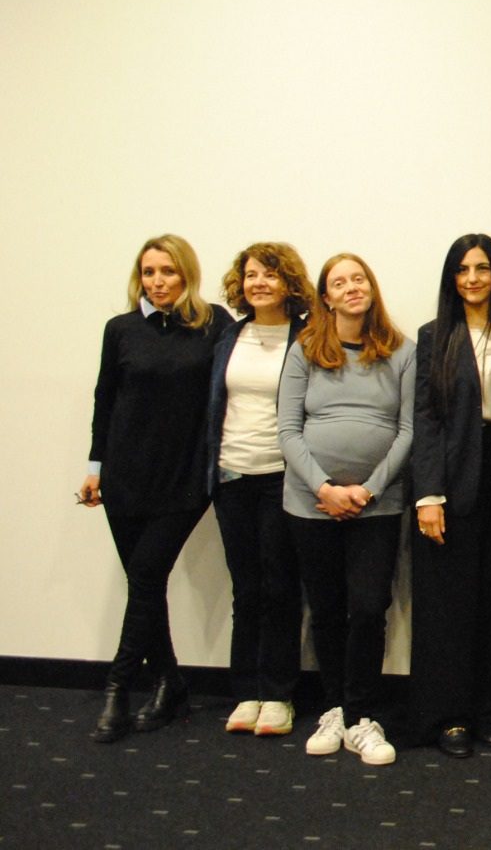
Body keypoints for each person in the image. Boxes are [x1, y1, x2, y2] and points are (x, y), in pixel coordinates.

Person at [80, 235, 228, 744]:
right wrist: (95, 467)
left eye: (168, 271)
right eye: (149, 272)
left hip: (184, 479)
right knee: (146, 585)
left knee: (145, 575)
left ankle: (117, 687)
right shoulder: (120, 329)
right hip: (124, 477)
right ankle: (169, 683)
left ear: (186, 274)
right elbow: (105, 400)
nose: (158, 282)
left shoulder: (213, 324)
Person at [278, 253, 415, 766]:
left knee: (369, 608)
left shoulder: (402, 351)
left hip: (377, 507)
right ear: (326, 297)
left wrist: (369, 490)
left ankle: (362, 716)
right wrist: (326, 487)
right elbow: (287, 430)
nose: (352, 287)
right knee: (327, 609)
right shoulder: (305, 349)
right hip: (310, 503)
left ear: (371, 288)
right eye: (340, 282)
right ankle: (334, 709)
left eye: (359, 279)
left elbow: (408, 430)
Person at [409, 235, 491, 759]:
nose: (472, 278)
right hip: (450, 478)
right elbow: (425, 419)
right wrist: (428, 495)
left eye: (482, 268)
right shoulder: (434, 335)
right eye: (462, 269)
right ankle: (450, 716)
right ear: (452, 277)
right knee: (449, 605)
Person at [206, 242, 315, 739]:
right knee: (245, 588)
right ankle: (246, 691)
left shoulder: (308, 336)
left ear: (288, 283)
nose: (259, 283)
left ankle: (278, 694)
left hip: (281, 477)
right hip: (231, 476)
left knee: (279, 586)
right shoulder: (230, 336)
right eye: (251, 275)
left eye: (269, 275)